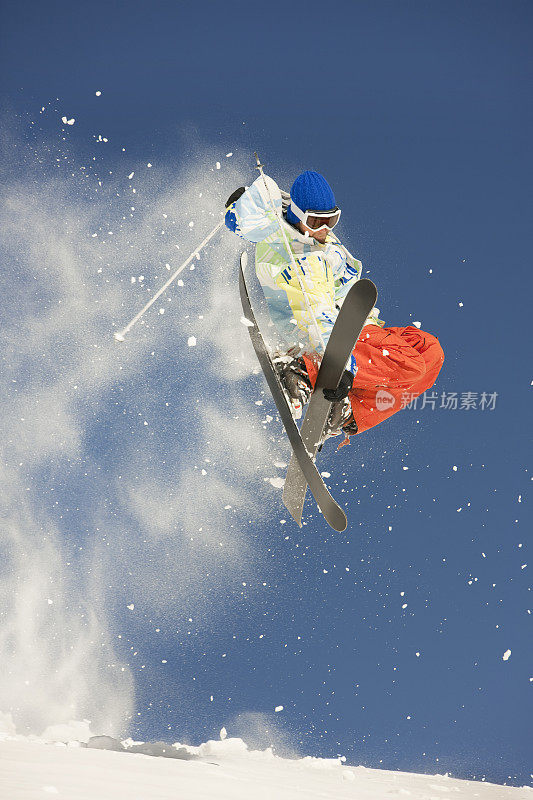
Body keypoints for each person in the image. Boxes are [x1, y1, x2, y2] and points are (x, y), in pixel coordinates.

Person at [225, 170, 444, 444]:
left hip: (360, 327)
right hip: (324, 334)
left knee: (430, 350)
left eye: (331, 220)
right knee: (410, 366)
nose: (324, 229)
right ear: (297, 216)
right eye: (316, 221)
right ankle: (303, 369)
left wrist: (248, 201)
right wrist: (341, 365)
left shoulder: (312, 235)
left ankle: (345, 410)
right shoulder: (299, 257)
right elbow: (317, 313)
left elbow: (273, 202)